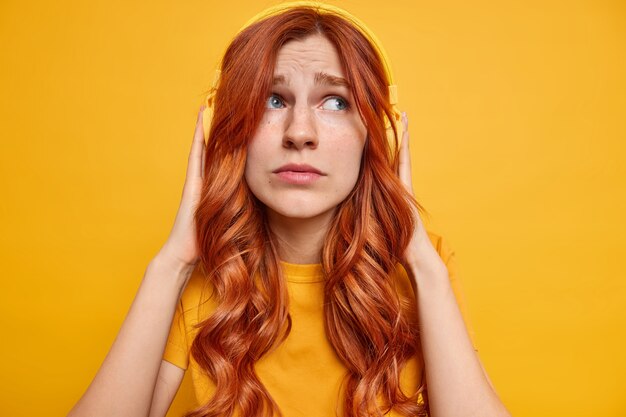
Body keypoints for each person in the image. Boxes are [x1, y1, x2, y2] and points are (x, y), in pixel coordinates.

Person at [68, 2, 511, 417]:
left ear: (382, 137)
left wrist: (420, 261)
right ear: (223, 131)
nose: (300, 132)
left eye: (336, 101)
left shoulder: (425, 267)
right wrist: (173, 262)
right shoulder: (203, 278)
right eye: (272, 99)